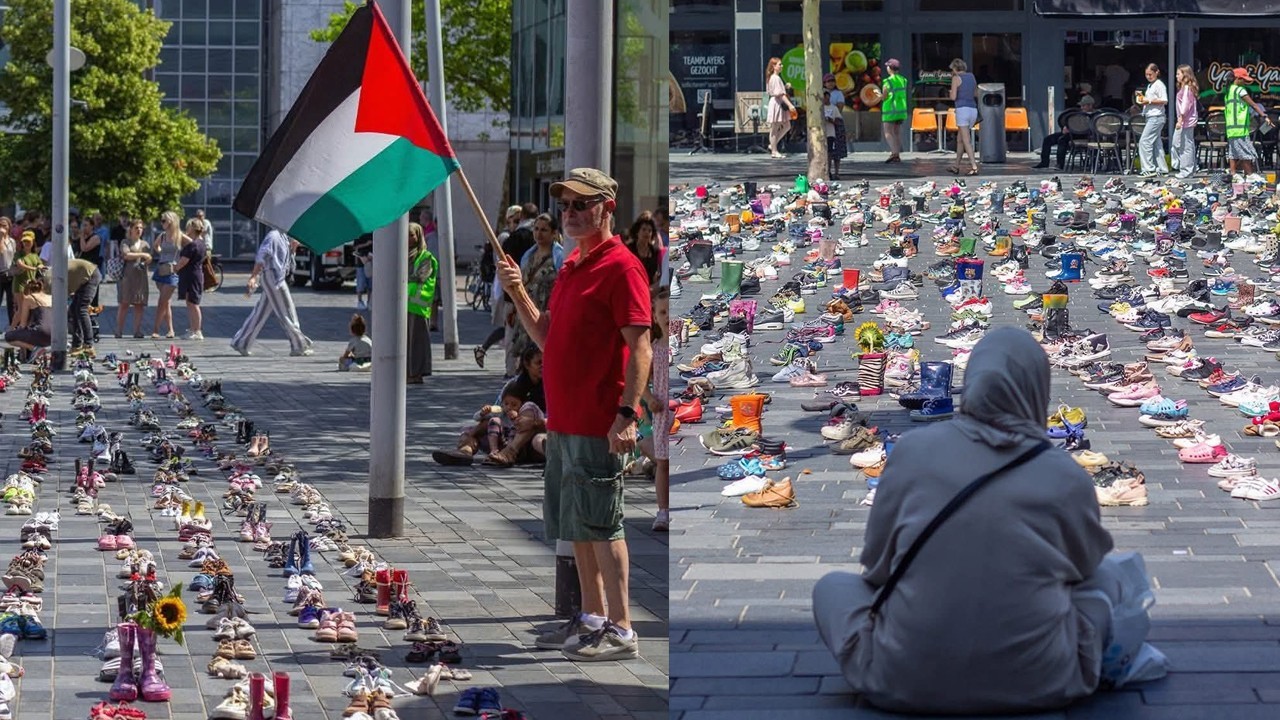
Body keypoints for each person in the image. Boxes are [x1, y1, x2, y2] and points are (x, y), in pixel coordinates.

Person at [812, 327, 1130, 714]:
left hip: (902, 682)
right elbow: (1085, 570)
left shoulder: (913, 451)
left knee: (833, 587)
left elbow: (877, 569)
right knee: (1109, 576)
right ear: (1038, 388)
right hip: (1043, 683)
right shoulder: (1063, 473)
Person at [497, 167, 652, 662]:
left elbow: (642, 347)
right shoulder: (571, 267)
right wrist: (518, 290)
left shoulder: (622, 267)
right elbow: (547, 336)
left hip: (597, 419)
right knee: (579, 526)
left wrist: (626, 414)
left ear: (607, 208)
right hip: (563, 421)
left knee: (604, 525)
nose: (570, 213)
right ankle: (591, 617)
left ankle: (622, 627)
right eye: (565, 206)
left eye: (581, 205)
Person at [435, 346, 547, 467]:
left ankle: (510, 453)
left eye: (547, 361)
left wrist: (534, 422)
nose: (543, 366)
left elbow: (558, 421)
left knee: (530, 410)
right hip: (507, 434)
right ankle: (465, 452)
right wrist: (479, 424)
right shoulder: (513, 385)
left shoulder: (554, 385)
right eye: (539, 362)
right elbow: (499, 410)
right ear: (527, 364)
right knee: (483, 424)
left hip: (531, 438)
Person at [231, 229, 313, 357]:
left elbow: (289, 265)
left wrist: (293, 249)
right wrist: (253, 276)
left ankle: (242, 342)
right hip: (273, 277)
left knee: (261, 312)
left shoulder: (285, 238)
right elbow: (261, 255)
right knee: (287, 311)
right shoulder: (274, 236)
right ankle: (299, 345)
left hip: (276, 277)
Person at [508, 214, 564, 369]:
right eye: (536, 229)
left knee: (542, 364)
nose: (539, 233)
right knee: (525, 364)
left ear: (554, 233)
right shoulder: (528, 255)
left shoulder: (560, 257)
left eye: (544, 230)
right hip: (526, 317)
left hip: (546, 319)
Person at [475, 206, 523, 368]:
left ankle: (483, 349)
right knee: (508, 325)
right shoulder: (505, 237)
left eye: (519, 220)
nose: (517, 223)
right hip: (504, 289)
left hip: (506, 288)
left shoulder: (513, 235)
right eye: (515, 220)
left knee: (509, 326)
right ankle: (484, 350)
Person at [639, 286, 670, 532]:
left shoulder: (678, 347)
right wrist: (649, 398)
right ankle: (663, 510)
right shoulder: (654, 348)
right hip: (661, 413)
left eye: (671, 311)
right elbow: (640, 380)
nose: (668, 316)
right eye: (663, 312)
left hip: (683, 410)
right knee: (663, 462)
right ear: (655, 316)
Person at [1225, 66, 1274, 177]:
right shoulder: (1240, 90)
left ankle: (1233, 175)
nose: (1246, 83)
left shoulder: (1229, 91)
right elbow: (1253, 105)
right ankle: (1250, 175)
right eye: (1244, 80)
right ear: (1238, 78)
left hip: (1231, 128)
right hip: (1240, 128)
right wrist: (1264, 116)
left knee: (1233, 153)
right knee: (1246, 153)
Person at [406, 221, 438, 384]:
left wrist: (402, 278)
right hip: (403, 305)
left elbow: (421, 277)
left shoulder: (426, 257)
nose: (409, 238)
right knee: (406, 341)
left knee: (417, 341)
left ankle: (416, 373)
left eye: (412, 235)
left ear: (418, 236)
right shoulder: (401, 254)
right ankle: (406, 372)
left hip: (417, 305)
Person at [1034, 91, 1097, 170]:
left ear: (1090, 105)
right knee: (1048, 139)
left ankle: (1060, 164)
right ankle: (1044, 162)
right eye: (1081, 106)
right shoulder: (1077, 114)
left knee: (1062, 140)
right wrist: (1066, 127)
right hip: (1073, 133)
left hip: (1089, 135)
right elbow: (1071, 122)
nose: (1082, 108)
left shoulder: (1097, 115)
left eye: (1084, 106)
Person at [115, 220, 151, 339]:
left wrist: (147, 258)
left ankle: (137, 331)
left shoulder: (145, 244)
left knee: (139, 304)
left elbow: (149, 258)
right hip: (127, 277)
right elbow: (126, 255)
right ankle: (119, 331)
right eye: (136, 227)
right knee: (124, 303)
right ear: (131, 229)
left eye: (141, 228)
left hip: (141, 277)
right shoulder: (126, 242)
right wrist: (142, 255)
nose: (139, 230)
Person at [149, 211, 183, 338]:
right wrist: (161, 253)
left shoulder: (180, 236)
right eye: (161, 220)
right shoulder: (163, 235)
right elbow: (155, 245)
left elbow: (193, 245)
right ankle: (171, 330)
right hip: (161, 269)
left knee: (162, 301)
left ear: (171, 221)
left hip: (172, 272)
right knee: (166, 302)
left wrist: (180, 263)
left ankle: (156, 330)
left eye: (164, 220)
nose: (161, 222)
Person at [173, 219, 207, 340]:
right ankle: (193, 329)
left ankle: (197, 330)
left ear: (191, 229)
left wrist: (175, 267)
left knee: (193, 303)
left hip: (191, 276)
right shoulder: (201, 243)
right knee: (191, 302)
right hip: (194, 274)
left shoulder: (193, 245)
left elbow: (184, 261)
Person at [1136, 63, 1170, 176]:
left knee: (1144, 141)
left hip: (1156, 116)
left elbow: (1164, 100)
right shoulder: (1150, 85)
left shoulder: (1159, 85)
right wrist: (1143, 99)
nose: (1148, 76)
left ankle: (1149, 168)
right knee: (1156, 143)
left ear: (1157, 72)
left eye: (1150, 74)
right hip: (1151, 116)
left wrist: (1148, 101)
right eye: (1146, 74)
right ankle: (1162, 168)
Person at [949, 58, 979, 176]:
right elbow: (976, 93)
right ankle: (956, 166)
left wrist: (950, 92)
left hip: (962, 109)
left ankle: (974, 166)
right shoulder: (971, 76)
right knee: (960, 140)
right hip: (973, 109)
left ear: (955, 68)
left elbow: (953, 97)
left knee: (966, 140)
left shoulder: (956, 78)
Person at [4, 278, 51, 351]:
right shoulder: (50, 297)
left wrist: (13, 329)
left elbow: (22, 324)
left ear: (27, 291)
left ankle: (35, 349)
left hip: (41, 333)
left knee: (8, 336)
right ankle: (39, 351)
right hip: (56, 335)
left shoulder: (29, 298)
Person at [67, 256, 101, 355]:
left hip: (91, 275)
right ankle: (77, 345)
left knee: (82, 309)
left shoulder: (54, 278)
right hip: (82, 278)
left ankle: (88, 345)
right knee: (73, 309)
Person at [1172, 65, 1200, 180]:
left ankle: (1186, 169)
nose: (1176, 76)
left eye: (1178, 74)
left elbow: (1185, 106)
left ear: (1185, 75)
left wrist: (1180, 120)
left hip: (1186, 121)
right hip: (1186, 121)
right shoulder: (1185, 88)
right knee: (1180, 144)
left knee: (1185, 146)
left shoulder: (1187, 89)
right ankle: (1188, 167)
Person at [879, 58, 908, 163]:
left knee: (888, 132)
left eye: (887, 66)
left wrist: (878, 95)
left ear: (890, 68)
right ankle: (897, 153)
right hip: (901, 110)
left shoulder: (887, 81)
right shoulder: (903, 80)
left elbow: (884, 97)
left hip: (890, 110)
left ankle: (894, 153)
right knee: (897, 132)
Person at [766, 57, 795, 159]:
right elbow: (781, 94)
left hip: (777, 102)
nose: (781, 66)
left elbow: (778, 91)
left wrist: (785, 87)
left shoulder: (773, 78)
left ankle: (773, 145)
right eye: (779, 64)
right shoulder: (775, 78)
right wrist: (790, 105)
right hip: (777, 103)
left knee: (786, 125)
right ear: (774, 66)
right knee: (775, 127)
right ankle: (774, 151)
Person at [820, 74, 848, 178]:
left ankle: (837, 172)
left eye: (832, 81)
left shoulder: (838, 93)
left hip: (835, 126)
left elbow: (839, 107)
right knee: (827, 152)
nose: (831, 83)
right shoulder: (820, 92)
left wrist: (831, 117)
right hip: (824, 128)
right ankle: (826, 171)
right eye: (828, 81)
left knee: (837, 151)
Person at [624, 211, 661, 285]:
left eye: (649, 231)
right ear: (637, 232)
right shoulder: (628, 249)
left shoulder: (654, 252)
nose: (647, 233)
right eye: (644, 229)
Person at [0, 218, 14, 324]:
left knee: (11, 303)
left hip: (10, 274)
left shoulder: (12, 241)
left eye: (5, 225)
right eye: (1, 225)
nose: (3, 227)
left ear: (9, 227)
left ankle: (12, 327)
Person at [353, 233, 372, 310]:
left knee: (370, 283)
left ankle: (369, 301)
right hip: (361, 261)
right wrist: (366, 244)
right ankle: (360, 301)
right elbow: (355, 247)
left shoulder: (374, 233)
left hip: (371, 260)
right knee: (361, 282)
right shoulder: (359, 234)